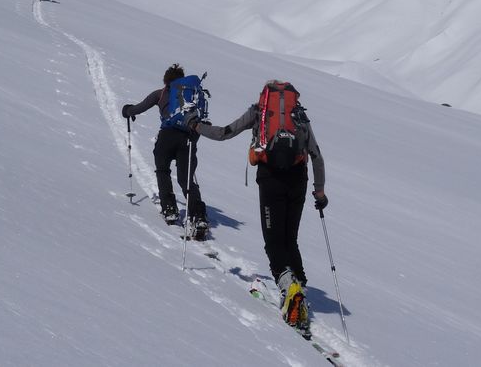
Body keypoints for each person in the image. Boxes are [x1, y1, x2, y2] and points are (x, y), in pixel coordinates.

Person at [189, 80, 327, 328]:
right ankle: (300, 289)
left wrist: (197, 126)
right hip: (299, 179)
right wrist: (320, 192)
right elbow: (316, 154)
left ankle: (288, 287)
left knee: (273, 240)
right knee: (289, 238)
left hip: (270, 178)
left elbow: (224, 133)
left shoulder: (259, 112)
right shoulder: (299, 115)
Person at [121, 64, 210, 236]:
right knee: (186, 179)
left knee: (163, 170)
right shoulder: (191, 95)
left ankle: (169, 208)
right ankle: (199, 216)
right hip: (188, 137)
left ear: (166, 80)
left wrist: (127, 110)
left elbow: (139, 108)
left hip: (167, 137)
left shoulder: (160, 93)